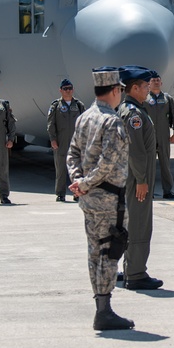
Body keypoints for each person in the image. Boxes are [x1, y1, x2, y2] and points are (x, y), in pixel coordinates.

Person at [67, 67, 134, 331]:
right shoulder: (112, 121)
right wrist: (83, 182)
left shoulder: (84, 117)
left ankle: (101, 306)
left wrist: (78, 182)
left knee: (94, 253)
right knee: (110, 251)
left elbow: (71, 153)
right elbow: (108, 164)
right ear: (115, 91)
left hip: (89, 199)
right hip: (108, 200)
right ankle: (104, 312)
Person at [117, 65, 163, 290]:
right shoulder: (134, 114)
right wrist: (143, 180)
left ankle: (129, 269)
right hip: (137, 180)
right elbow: (136, 151)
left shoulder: (131, 109)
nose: (148, 90)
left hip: (133, 177)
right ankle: (135, 274)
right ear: (134, 88)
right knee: (139, 226)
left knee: (131, 224)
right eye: (145, 86)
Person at [47, 78, 85, 202]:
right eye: (65, 89)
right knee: (61, 169)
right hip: (61, 141)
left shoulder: (79, 105)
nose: (68, 91)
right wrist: (53, 139)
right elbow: (51, 124)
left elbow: (84, 123)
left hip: (76, 142)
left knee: (77, 169)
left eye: (70, 88)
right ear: (60, 90)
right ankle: (60, 193)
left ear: (73, 90)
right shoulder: (56, 106)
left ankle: (76, 193)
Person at [145, 71, 174, 199]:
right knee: (149, 166)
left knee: (165, 165)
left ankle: (168, 191)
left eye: (158, 80)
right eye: (153, 81)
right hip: (148, 137)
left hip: (164, 136)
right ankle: (149, 191)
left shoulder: (167, 99)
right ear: (148, 84)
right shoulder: (145, 99)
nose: (156, 82)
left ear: (161, 83)